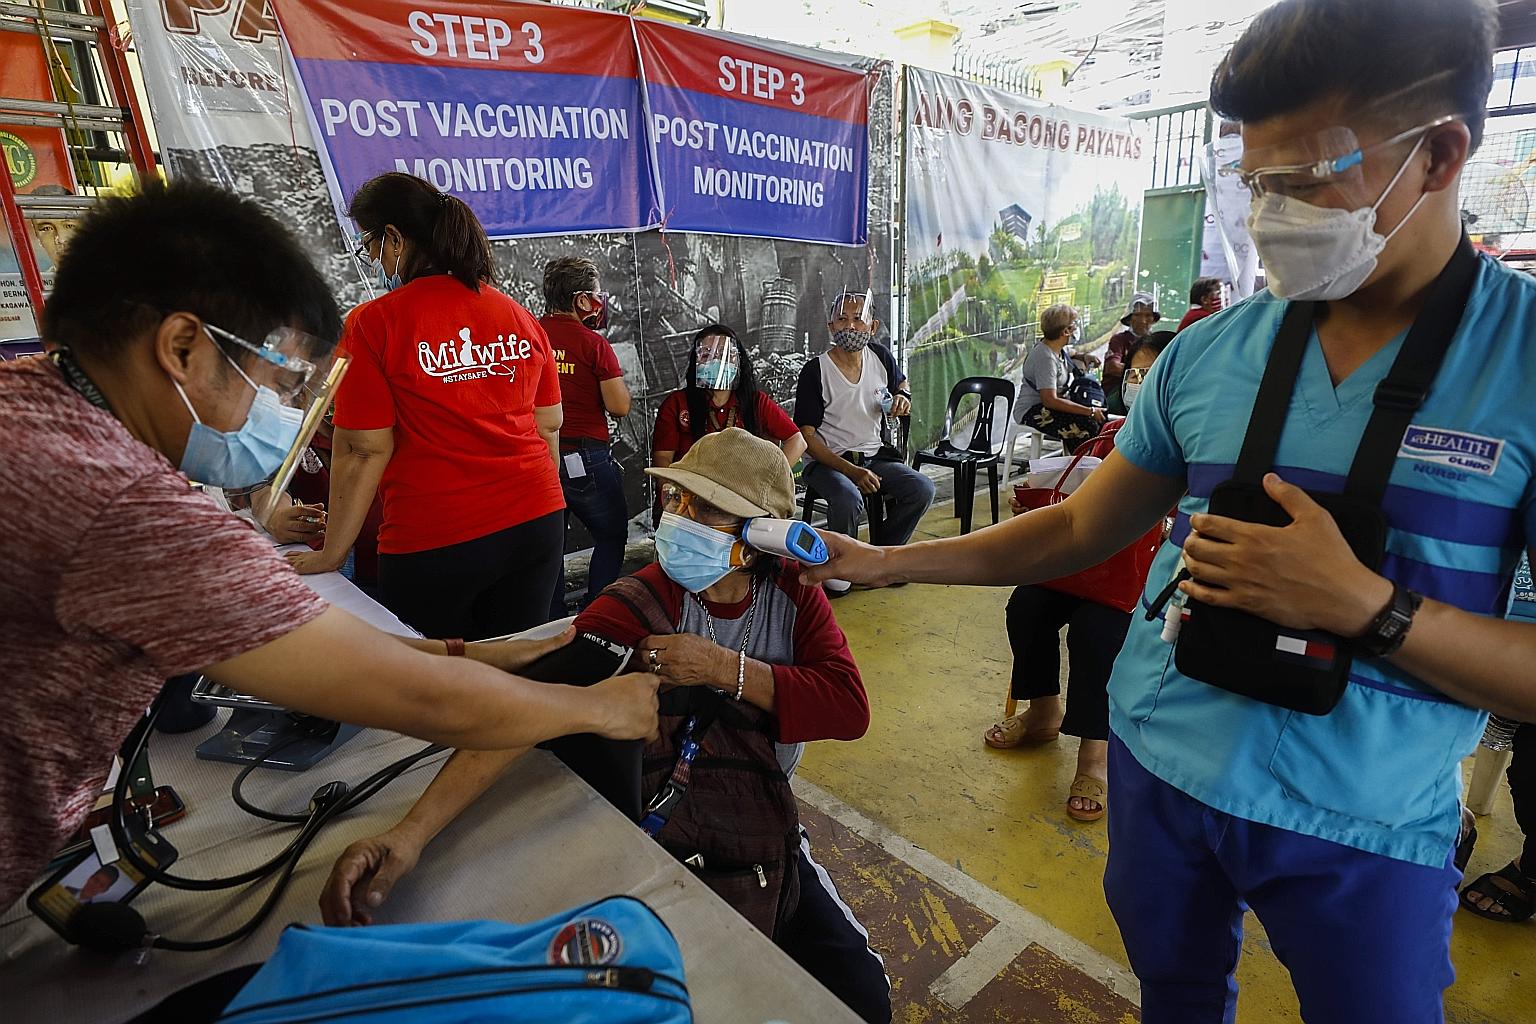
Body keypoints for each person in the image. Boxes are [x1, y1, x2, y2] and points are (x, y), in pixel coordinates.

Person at [802, 3, 1536, 1020]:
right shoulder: (1211, 352)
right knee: (1176, 994)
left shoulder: (1521, 360)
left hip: (1361, 820)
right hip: (1160, 762)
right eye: (1256, 180)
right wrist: (881, 565)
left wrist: (1371, 607)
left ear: (1443, 153)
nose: (1274, 210)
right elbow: (1073, 528)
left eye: (1308, 177)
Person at [0, 180, 659, 915]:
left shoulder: (27, 407)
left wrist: (481, 655)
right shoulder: (118, 504)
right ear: (182, 347)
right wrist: (603, 709)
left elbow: (371, 645)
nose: (270, 414)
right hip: (527, 522)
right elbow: (409, 699)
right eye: (268, 383)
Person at [320, 428, 890, 1023]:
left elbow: (848, 707)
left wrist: (726, 669)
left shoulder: (794, 598)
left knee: (859, 990)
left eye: (704, 509)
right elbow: (532, 707)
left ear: (759, 538)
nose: (678, 517)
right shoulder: (640, 601)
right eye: (678, 499)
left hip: (760, 811)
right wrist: (407, 837)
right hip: (657, 825)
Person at [288, 172, 566, 640]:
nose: (373, 258)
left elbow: (361, 449)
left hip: (438, 538)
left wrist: (331, 554)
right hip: (536, 523)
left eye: (371, 245)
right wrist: (539, 509)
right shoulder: (516, 314)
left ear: (395, 238)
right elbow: (549, 426)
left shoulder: (375, 324)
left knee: (440, 688)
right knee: (517, 668)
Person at [985, 333, 1172, 822]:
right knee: (1027, 605)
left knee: (1097, 632)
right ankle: (1044, 712)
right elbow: (1069, 497)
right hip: (1083, 570)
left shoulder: (1191, 447)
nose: (1140, 383)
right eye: (1135, 373)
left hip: (1139, 582)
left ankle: (1094, 753)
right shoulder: (1109, 436)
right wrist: (1038, 498)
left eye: (1152, 375)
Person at [794, 292, 935, 587]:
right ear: (830, 326)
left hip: (875, 456)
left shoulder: (880, 356)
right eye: (842, 319)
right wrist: (852, 472)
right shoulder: (816, 371)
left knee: (921, 488)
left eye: (859, 319)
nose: (851, 327)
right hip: (828, 462)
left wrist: (902, 396)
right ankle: (840, 573)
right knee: (847, 497)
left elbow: (902, 382)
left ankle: (879, 558)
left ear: (873, 326)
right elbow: (807, 437)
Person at [539, 256, 631, 618]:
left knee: (552, 544)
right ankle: (597, 612)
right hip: (585, 459)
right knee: (611, 534)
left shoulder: (529, 332)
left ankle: (553, 618)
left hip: (539, 456)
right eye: (595, 294)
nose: (599, 301)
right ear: (580, 300)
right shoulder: (594, 345)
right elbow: (619, 406)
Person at [652, 324, 807, 469]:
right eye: (706, 355)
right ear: (695, 362)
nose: (717, 362)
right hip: (690, 492)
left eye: (725, 355)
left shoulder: (755, 402)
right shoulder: (676, 404)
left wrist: (770, 482)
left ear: (739, 361)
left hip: (739, 494)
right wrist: (675, 491)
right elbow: (662, 458)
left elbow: (797, 441)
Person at [1016, 303, 1108, 456]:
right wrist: (1089, 411)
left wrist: (1083, 357)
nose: (1076, 329)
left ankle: (1081, 465)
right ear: (1065, 331)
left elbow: (1069, 353)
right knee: (1086, 425)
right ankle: (1080, 469)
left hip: (1051, 405)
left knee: (1099, 419)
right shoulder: (1045, 358)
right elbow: (1049, 400)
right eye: (1074, 326)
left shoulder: (1056, 348)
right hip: (1032, 410)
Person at [1102, 292, 1160, 402]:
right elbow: (1113, 367)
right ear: (1130, 318)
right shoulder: (1119, 340)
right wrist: (1144, 375)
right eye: (1138, 315)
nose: (1143, 321)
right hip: (1117, 393)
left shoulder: (1156, 341)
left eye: (1148, 316)